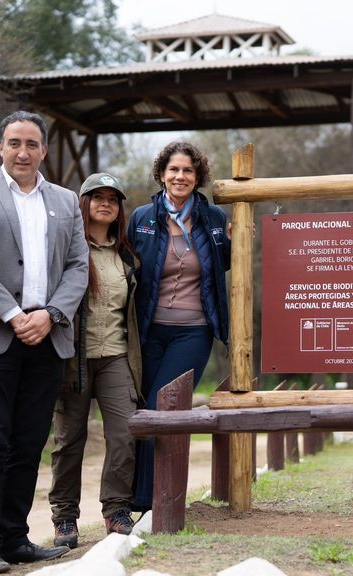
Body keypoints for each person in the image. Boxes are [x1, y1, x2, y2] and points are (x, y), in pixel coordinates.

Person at [0, 111, 88, 574]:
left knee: (29, 442)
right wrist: (12, 314)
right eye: (14, 143)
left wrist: (51, 314)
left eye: (31, 144)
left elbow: (77, 267)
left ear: (44, 150)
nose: (22, 152)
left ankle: (15, 538)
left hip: (47, 338)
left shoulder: (66, 200)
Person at [127, 141, 230, 512]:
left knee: (164, 406)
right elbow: (128, 269)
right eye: (174, 170)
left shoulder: (213, 218)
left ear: (198, 176)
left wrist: (235, 240)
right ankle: (140, 498)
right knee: (144, 407)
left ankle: (156, 500)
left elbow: (223, 266)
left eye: (188, 170)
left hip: (194, 330)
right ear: (161, 174)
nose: (180, 176)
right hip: (150, 330)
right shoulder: (141, 217)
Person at [48, 172, 142, 548]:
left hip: (116, 356)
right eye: (96, 196)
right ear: (82, 204)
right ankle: (65, 518)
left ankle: (116, 509)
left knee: (124, 433)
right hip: (74, 357)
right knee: (70, 438)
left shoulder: (126, 255)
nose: (106, 203)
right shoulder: (67, 249)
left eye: (113, 198)